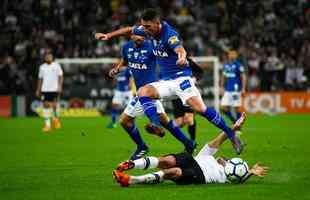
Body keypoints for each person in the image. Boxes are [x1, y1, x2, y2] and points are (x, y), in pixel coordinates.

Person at [95, 8, 243, 154]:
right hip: (166, 81)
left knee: (200, 109)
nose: (144, 30)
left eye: (147, 27)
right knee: (143, 91)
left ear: (157, 23)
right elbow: (129, 30)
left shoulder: (169, 35)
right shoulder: (147, 30)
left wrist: (182, 56)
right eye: (143, 26)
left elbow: (179, 48)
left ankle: (231, 134)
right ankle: (155, 124)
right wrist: (108, 35)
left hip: (181, 78)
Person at [113, 112, 268, 187]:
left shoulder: (224, 177)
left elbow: (238, 178)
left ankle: (132, 180)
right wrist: (234, 127)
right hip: (192, 160)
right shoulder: (208, 156)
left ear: (228, 166)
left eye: (226, 160)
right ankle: (132, 164)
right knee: (168, 160)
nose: (223, 158)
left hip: (199, 175)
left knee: (174, 172)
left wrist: (250, 173)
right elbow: (220, 139)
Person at [109, 33, 195, 160]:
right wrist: (117, 68)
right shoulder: (126, 47)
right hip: (143, 91)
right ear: (131, 36)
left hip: (149, 90)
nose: (140, 38)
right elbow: (125, 60)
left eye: (143, 36)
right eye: (137, 35)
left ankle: (142, 146)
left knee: (124, 120)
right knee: (166, 122)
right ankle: (188, 143)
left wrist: (182, 60)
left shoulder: (151, 47)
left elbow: (167, 55)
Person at [171, 57, 204, 143]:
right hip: (176, 96)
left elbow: (200, 71)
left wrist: (195, 79)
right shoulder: (167, 60)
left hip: (187, 92)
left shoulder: (187, 60)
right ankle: (163, 124)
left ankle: (192, 142)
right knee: (179, 123)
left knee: (189, 119)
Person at [36, 52, 63, 132]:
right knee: (46, 105)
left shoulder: (56, 65)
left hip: (54, 88)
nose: (48, 58)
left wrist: (60, 86)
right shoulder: (42, 67)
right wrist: (38, 89)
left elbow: (61, 76)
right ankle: (47, 125)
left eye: (50, 56)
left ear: (52, 57)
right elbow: (40, 79)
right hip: (45, 89)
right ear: (45, 58)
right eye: (47, 57)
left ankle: (55, 120)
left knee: (54, 105)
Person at [220, 50, 247, 123]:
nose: (232, 55)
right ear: (228, 55)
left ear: (236, 55)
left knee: (237, 108)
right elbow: (223, 76)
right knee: (223, 108)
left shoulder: (238, 65)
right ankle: (235, 121)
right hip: (227, 90)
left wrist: (243, 88)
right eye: (230, 54)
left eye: (233, 54)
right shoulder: (226, 65)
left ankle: (238, 128)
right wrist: (221, 87)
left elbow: (243, 77)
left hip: (236, 90)